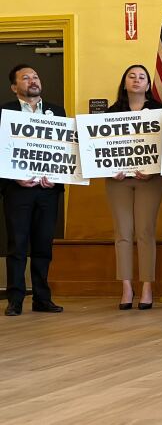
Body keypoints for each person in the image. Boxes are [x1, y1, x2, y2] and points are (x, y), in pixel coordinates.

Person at [2, 65, 65, 316]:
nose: (32, 81)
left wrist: (58, 174)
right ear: (14, 87)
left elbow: (65, 149)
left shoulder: (57, 111)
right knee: (17, 245)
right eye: (25, 78)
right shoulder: (4, 111)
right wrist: (13, 176)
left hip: (47, 190)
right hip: (17, 190)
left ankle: (42, 298)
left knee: (43, 245)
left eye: (36, 76)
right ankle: (15, 299)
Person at [105, 64, 162, 311]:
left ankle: (147, 287)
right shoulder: (110, 113)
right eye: (131, 76)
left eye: (142, 77)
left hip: (149, 179)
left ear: (148, 84)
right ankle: (127, 287)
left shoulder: (161, 112)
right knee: (123, 233)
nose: (137, 80)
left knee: (145, 232)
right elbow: (101, 150)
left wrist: (153, 168)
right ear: (124, 82)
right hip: (117, 180)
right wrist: (110, 168)